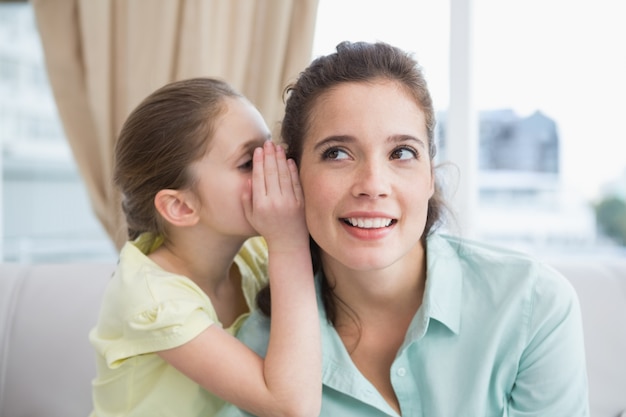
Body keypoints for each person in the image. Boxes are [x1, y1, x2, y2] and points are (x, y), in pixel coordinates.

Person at [227, 41, 590, 416]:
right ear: (292, 176)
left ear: (430, 177)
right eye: (337, 153)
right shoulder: (259, 352)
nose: (373, 183)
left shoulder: (533, 305)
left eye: (401, 153)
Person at [88, 77, 321, 417]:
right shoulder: (150, 297)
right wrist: (289, 244)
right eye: (247, 162)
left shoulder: (252, 256)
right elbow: (290, 405)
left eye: (271, 149)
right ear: (181, 207)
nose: (276, 168)